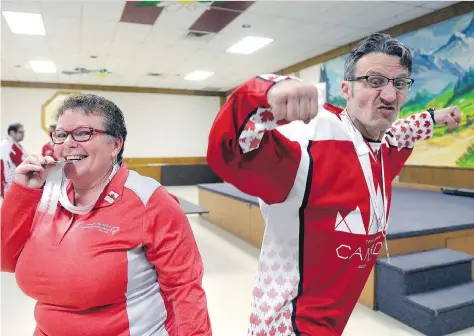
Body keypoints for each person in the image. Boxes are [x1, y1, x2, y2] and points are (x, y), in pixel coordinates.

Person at [206, 33, 462, 336]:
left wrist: (435, 117)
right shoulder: (310, 147)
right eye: (374, 81)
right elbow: (230, 150)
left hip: (333, 322)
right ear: (346, 90)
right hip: (289, 324)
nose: (391, 97)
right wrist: (267, 91)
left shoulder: (383, 148)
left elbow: (402, 131)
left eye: (400, 83)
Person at [1, 94, 212, 336]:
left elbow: (185, 289)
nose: (67, 143)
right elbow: (5, 259)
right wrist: (22, 192)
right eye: (60, 134)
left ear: (115, 145)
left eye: (83, 133)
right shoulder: (46, 193)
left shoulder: (150, 201)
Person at [1, 122, 26, 197]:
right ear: (12, 133)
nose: (23, 134)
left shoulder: (16, 145)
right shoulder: (6, 146)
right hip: (11, 184)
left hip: (17, 182)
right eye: (20, 132)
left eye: (23, 132)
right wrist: (9, 186)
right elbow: (5, 168)